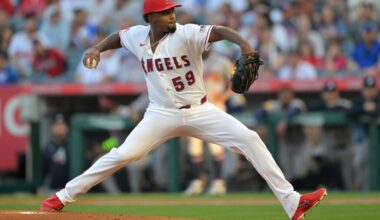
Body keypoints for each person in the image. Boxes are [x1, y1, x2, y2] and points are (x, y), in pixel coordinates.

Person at [40, 1, 326, 219]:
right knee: (123, 154)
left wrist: (247, 48)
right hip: (160, 114)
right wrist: (96, 49)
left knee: (250, 138)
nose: (172, 15)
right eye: (165, 12)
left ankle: (293, 203)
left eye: (172, 10)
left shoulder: (186, 33)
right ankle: (60, 198)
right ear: (151, 18)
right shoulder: (138, 36)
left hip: (200, 111)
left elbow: (221, 31)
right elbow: (118, 36)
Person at [184, 49, 232, 195]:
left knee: (216, 147)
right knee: (194, 149)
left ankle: (218, 182)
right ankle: (197, 182)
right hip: (194, 108)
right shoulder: (188, 60)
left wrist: (225, 95)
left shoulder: (222, 61)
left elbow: (237, 79)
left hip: (215, 106)